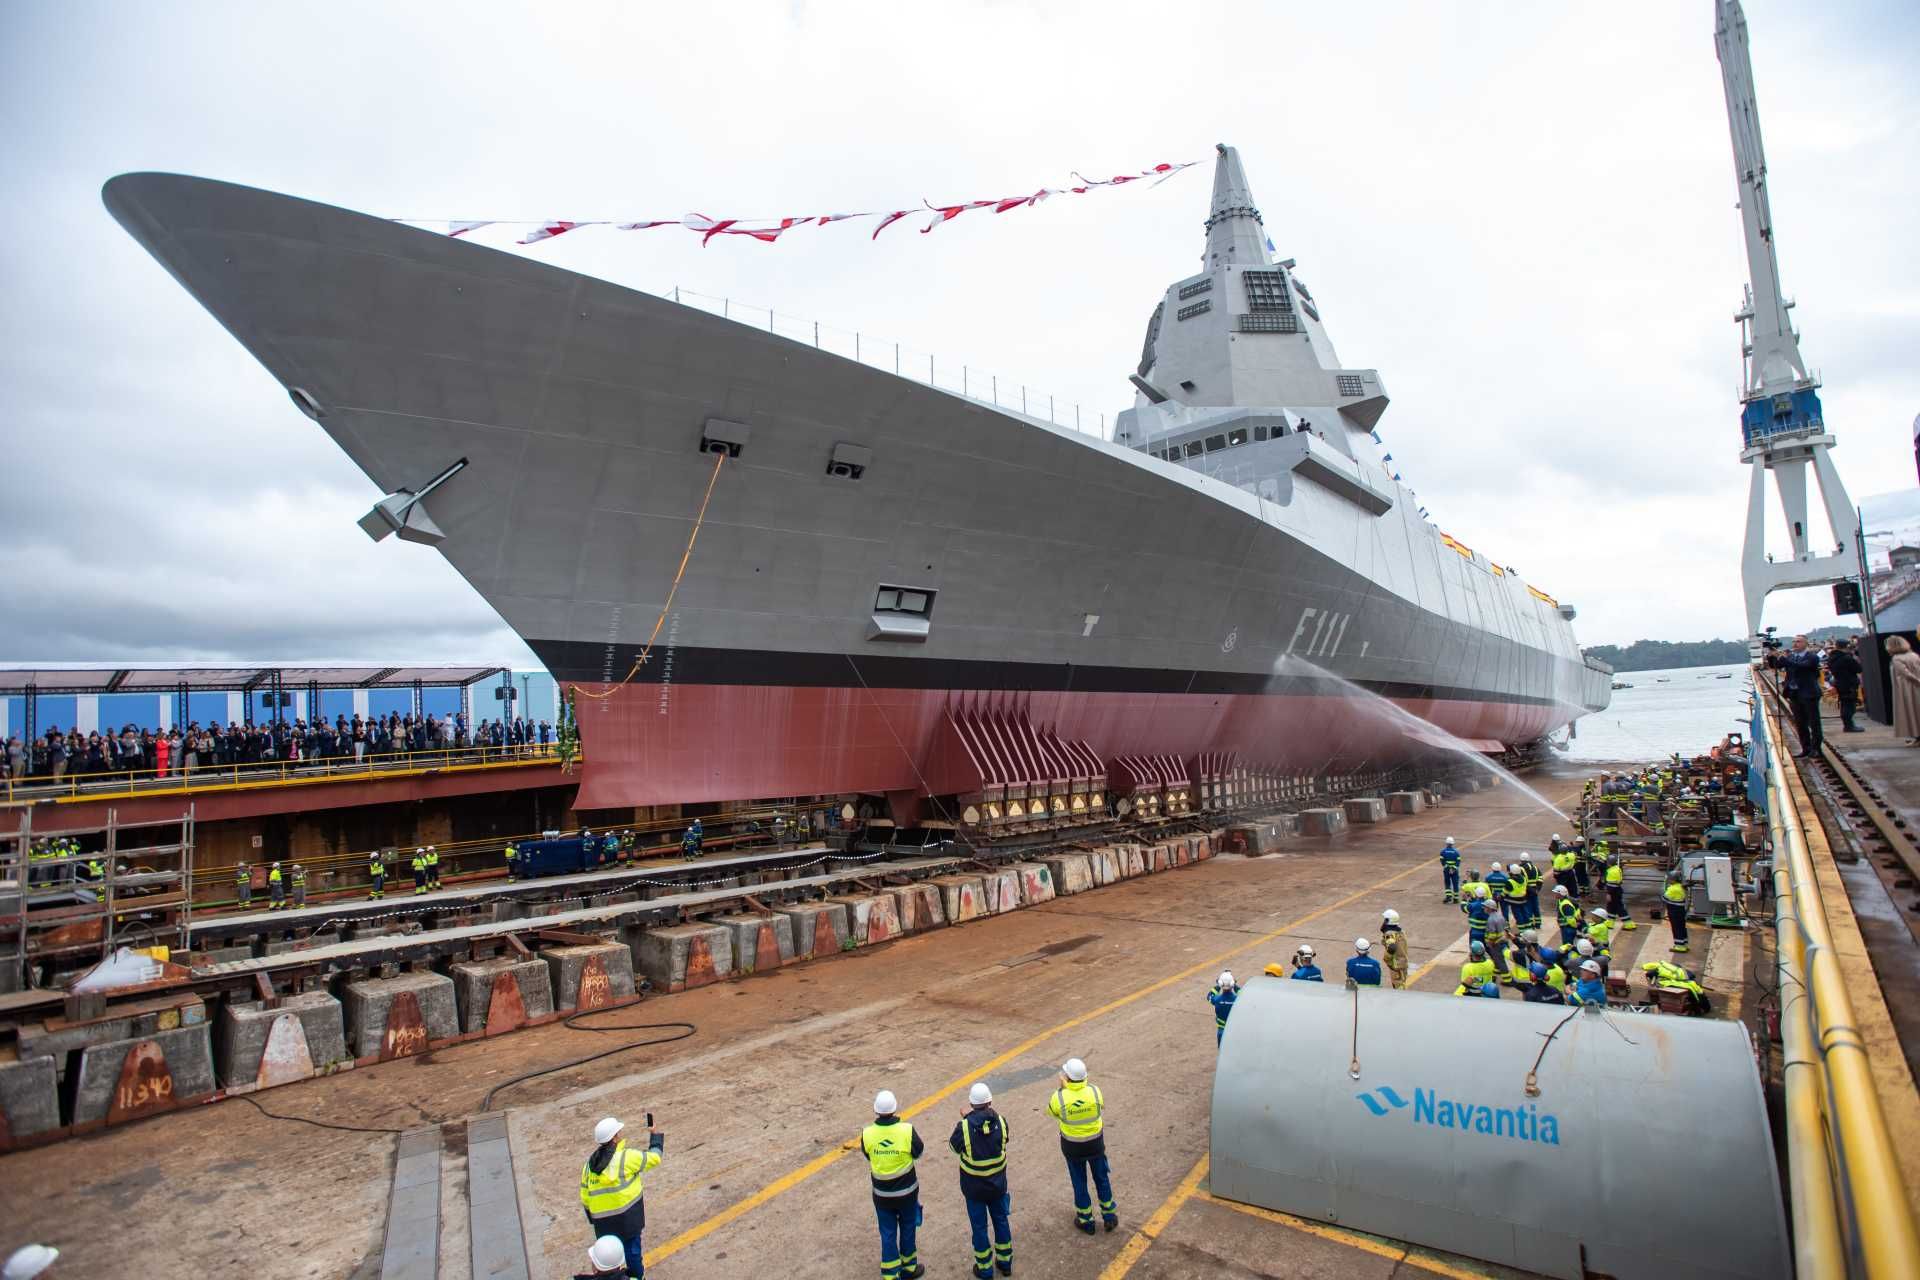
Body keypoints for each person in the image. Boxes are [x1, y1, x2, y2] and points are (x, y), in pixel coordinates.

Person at [580, 1115, 664, 1278]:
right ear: (615, 1137)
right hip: (628, 1219)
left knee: (607, 1259)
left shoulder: (588, 1167)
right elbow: (655, 1157)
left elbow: (585, 1196)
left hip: (603, 1224)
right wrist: (655, 1134)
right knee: (632, 1253)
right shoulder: (626, 1157)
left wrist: (595, 1219)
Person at [949, 1081, 1013, 1279]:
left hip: (974, 1189)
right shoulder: (1002, 1122)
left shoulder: (965, 1127)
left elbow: (953, 1148)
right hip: (997, 1186)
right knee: (1001, 1221)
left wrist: (968, 1119)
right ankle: (1005, 1262)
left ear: (970, 1104)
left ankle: (984, 1268)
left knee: (979, 1227)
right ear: (990, 1101)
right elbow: (1003, 1141)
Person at [1047, 1057, 1117, 1235]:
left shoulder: (1059, 1097)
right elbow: (1100, 1107)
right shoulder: (1094, 1091)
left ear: (1067, 1078)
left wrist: (1063, 1090)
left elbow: (1052, 1112)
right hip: (1095, 1145)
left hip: (1073, 1148)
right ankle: (1109, 1217)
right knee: (1102, 1179)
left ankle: (1086, 1221)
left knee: (1079, 1182)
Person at [863, 1089, 926, 1280]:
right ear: (895, 1108)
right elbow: (919, 1152)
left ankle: (891, 1274)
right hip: (907, 1194)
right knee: (908, 1228)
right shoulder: (907, 1130)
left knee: (888, 1232)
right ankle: (909, 1268)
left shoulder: (867, 1134)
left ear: (876, 1110)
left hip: (882, 1196)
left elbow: (868, 1155)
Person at [1778, 634, 1825, 756]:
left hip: (1809, 693)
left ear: (1805, 643)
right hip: (1795, 694)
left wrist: (1786, 660)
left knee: (1814, 722)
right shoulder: (1792, 657)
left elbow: (1803, 666)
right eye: (1794, 641)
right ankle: (1806, 748)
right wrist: (1773, 656)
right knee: (1800, 723)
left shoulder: (1812, 657)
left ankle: (1816, 748)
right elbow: (1778, 666)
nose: (1795, 644)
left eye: (1798, 641)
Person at [1642, 960, 1712, 1015]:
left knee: (1694, 992)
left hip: (1678, 981)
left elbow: (1645, 967)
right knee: (1696, 991)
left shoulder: (1660, 967)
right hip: (1684, 980)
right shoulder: (1676, 970)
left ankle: (1702, 1008)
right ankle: (1703, 1008)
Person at [1827, 639, 1865, 733]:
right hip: (1849, 683)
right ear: (1846, 646)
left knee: (1844, 703)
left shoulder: (1832, 657)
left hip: (1839, 682)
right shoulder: (1846, 658)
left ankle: (1847, 724)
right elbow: (1858, 669)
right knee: (1849, 705)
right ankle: (1849, 726)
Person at [1890, 636, 1920, 746]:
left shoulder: (1896, 658)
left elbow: (1905, 673)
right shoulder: (1914, 655)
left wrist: (1917, 680)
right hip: (1916, 687)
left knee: (1910, 712)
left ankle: (1917, 736)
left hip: (1906, 688)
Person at [1379, 909, 1409, 989]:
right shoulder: (1401, 932)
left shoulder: (1390, 934)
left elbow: (1392, 947)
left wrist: (1386, 959)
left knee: (1398, 985)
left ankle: (1400, 999)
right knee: (1401, 982)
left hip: (1396, 964)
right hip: (1403, 961)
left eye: (1385, 920)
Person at [1207, 972, 1237, 1046]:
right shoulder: (1238, 999)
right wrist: (1235, 985)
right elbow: (1242, 993)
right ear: (1232, 984)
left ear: (1221, 983)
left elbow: (1209, 996)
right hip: (1234, 1031)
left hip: (1222, 1031)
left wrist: (1218, 986)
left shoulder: (1217, 999)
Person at [1664, 870, 1691, 953]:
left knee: (1676, 928)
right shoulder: (1681, 887)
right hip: (1681, 910)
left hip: (1674, 911)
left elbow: (1664, 898)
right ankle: (1684, 944)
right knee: (1682, 927)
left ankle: (1679, 946)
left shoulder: (1672, 889)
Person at [1438, 836, 1461, 903]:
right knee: (1455, 883)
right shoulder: (1456, 852)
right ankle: (1456, 898)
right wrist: (1453, 868)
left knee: (1447, 883)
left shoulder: (1443, 851)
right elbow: (1458, 862)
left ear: (1446, 843)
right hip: (1455, 871)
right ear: (1452, 844)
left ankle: (1448, 896)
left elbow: (1442, 861)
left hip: (1446, 870)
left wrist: (1447, 867)